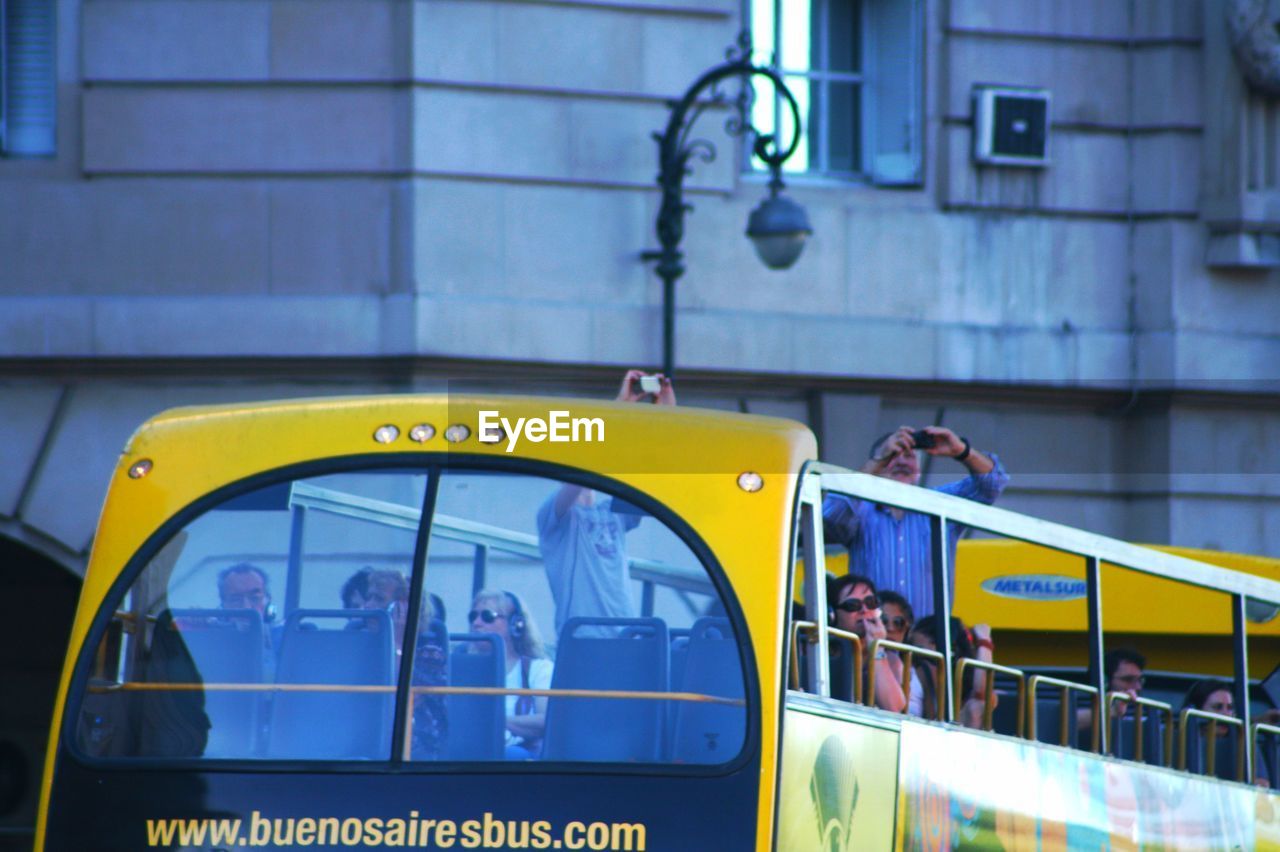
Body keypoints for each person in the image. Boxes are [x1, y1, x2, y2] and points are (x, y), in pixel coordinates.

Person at [537, 370, 674, 637]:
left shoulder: (612, 512)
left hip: (625, 636)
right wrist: (619, 409)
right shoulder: (554, 514)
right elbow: (585, 468)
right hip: (582, 640)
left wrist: (666, 413)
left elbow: (657, 471)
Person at [822, 425, 1009, 618]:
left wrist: (961, 451)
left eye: (909, 456)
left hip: (927, 642)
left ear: (919, 470)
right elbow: (831, 513)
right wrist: (877, 461)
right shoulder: (861, 510)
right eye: (893, 456)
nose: (901, 462)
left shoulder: (940, 503)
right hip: (875, 638)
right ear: (877, 467)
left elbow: (994, 484)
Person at [467, 589, 554, 759]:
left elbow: (547, 720)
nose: (477, 623)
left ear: (516, 624)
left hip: (516, 756)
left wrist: (495, 720)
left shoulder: (538, 669)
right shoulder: (464, 670)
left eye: (488, 616)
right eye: (473, 616)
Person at [829, 574, 905, 713]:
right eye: (853, 605)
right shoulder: (821, 653)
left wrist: (877, 648)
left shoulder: (891, 660)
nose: (864, 610)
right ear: (832, 615)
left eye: (870, 602)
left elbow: (893, 707)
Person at [907, 615, 994, 728]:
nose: (917, 659)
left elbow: (982, 691)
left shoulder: (961, 675)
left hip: (951, 740)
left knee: (976, 707)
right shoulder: (910, 671)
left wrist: (984, 642)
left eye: (920, 650)